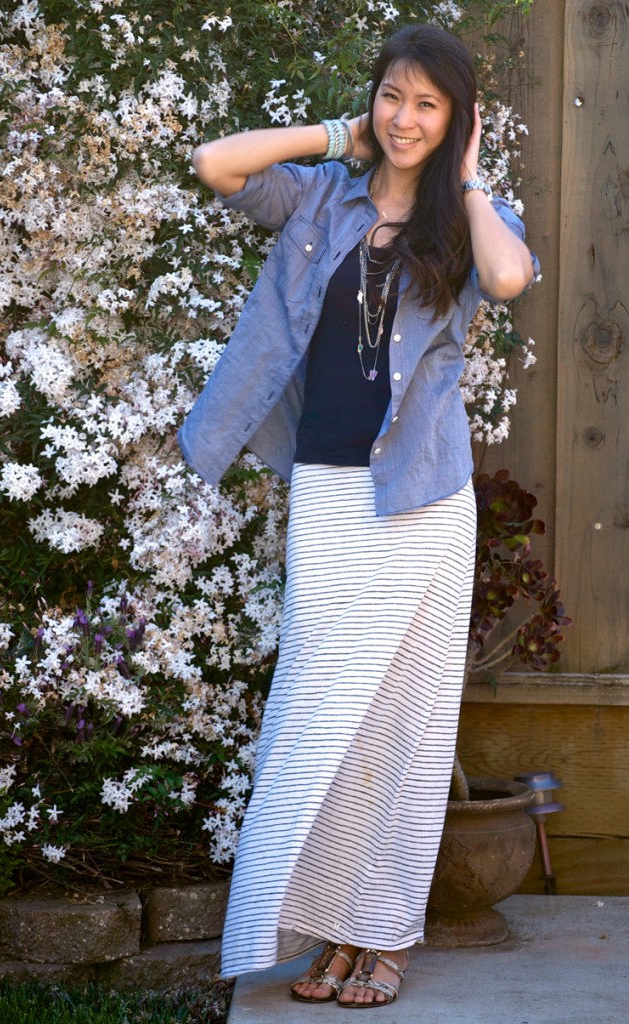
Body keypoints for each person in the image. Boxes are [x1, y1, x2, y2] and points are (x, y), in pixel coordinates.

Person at [179, 22, 537, 1009]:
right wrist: (342, 137)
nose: (406, 117)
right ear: (372, 100)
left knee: (405, 726)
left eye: (429, 103)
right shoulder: (322, 196)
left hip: (419, 501)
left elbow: (508, 279)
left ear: (455, 119)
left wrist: (462, 174)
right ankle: (329, 927)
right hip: (327, 492)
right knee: (313, 715)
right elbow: (216, 163)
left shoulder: (468, 220)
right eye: (393, 95)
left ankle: (381, 936)